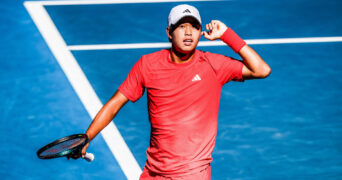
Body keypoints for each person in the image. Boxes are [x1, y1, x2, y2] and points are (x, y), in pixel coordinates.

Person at [75, 4, 271, 180]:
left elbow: (261, 70)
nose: (188, 32)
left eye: (194, 27)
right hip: (153, 172)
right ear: (169, 32)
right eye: (181, 26)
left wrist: (227, 35)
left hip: (192, 174)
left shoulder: (213, 64)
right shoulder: (148, 65)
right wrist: (87, 137)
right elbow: (115, 103)